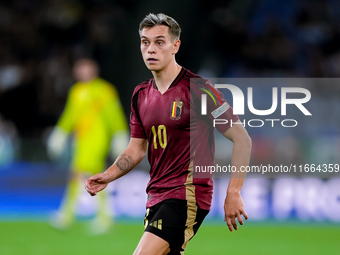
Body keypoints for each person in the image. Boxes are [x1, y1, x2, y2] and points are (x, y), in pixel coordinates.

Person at [85, 13, 252, 254]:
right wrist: (108, 176)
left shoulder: (199, 90)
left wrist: (234, 192)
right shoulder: (141, 94)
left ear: (175, 46)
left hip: (187, 195)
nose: (150, 49)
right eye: (145, 42)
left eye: (159, 42)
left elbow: (242, 138)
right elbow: (136, 149)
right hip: (156, 196)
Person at [47, 58, 129, 233]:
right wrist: (60, 132)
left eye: (86, 69)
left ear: (94, 70)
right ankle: (104, 216)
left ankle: (67, 215)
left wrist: (119, 133)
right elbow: (70, 114)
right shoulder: (76, 90)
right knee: (94, 176)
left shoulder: (104, 89)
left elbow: (113, 113)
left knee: (78, 174)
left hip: (98, 139)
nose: (82, 72)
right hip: (81, 140)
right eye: (80, 69)